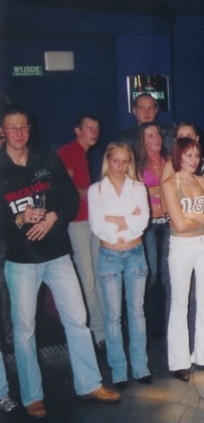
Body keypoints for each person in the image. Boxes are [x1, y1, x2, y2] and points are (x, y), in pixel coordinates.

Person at [0, 105, 120, 418]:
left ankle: (90, 384)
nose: (19, 133)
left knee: (78, 320)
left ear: (29, 129)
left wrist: (53, 215)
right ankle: (33, 396)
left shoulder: (46, 158)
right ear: (2, 131)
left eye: (23, 127)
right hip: (21, 260)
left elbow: (69, 198)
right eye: (12, 128)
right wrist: (19, 217)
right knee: (25, 330)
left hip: (57, 255)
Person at [88, 142, 151, 389]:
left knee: (137, 312)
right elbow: (97, 225)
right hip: (109, 256)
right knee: (113, 315)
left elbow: (142, 221)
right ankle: (119, 370)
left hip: (136, 254)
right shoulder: (96, 190)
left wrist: (113, 218)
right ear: (108, 160)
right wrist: (127, 220)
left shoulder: (138, 188)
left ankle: (141, 367)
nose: (120, 166)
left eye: (125, 161)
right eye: (116, 160)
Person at [162, 137, 204, 381]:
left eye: (197, 155)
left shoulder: (203, 181)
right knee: (179, 303)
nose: (194, 160)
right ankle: (179, 361)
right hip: (182, 246)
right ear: (178, 155)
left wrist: (191, 214)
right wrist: (201, 217)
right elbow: (179, 225)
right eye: (188, 155)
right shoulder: (169, 184)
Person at [57, 114, 105, 350]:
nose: (94, 132)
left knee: (97, 275)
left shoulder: (82, 153)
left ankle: (103, 330)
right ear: (78, 130)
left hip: (91, 221)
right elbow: (64, 186)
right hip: (77, 222)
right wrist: (90, 194)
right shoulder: (70, 151)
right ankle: (94, 333)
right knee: (88, 278)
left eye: (96, 128)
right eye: (89, 128)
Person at [134, 122, 170, 337]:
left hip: (167, 223)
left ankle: (167, 323)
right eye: (150, 135)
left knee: (166, 275)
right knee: (152, 274)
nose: (156, 138)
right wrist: (163, 188)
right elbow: (139, 194)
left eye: (157, 134)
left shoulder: (169, 161)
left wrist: (154, 190)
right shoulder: (137, 165)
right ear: (142, 140)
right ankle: (149, 325)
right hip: (148, 225)